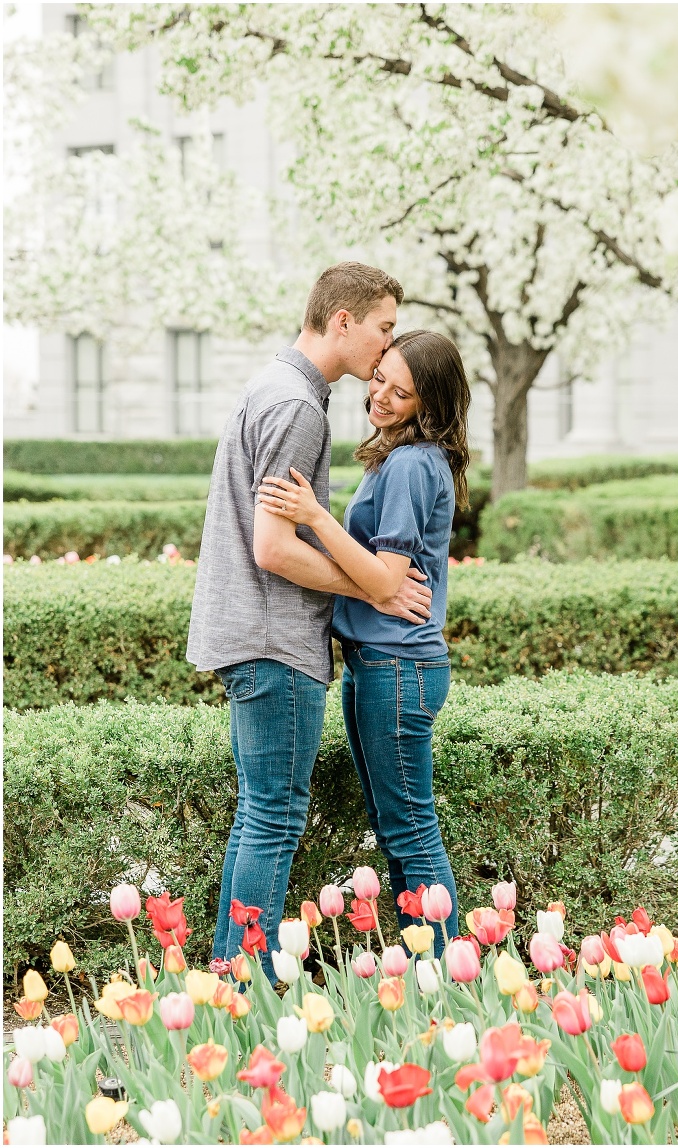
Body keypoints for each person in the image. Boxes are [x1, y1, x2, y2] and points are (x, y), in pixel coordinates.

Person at [187, 263, 434, 978]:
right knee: (273, 819)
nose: (387, 348)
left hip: (251, 636)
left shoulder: (274, 384)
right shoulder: (299, 406)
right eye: (384, 328)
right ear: (343, 322)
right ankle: (250, 983)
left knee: (259, 816)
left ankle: (231, 975)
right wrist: (374, 592)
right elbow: (272, 547)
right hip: (274, 640)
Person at [258, 329, 471, 955]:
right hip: (380, 662)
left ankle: (449, 972)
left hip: (397, 665)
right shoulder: (405, 457)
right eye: (379, 378)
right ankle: (420, 959)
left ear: (427, 406)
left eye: (399, 393)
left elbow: (384, 576)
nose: (379, 395)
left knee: (409, 829)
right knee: (396, 825)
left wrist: (316, 516)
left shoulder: (409, 463)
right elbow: (377, 577)